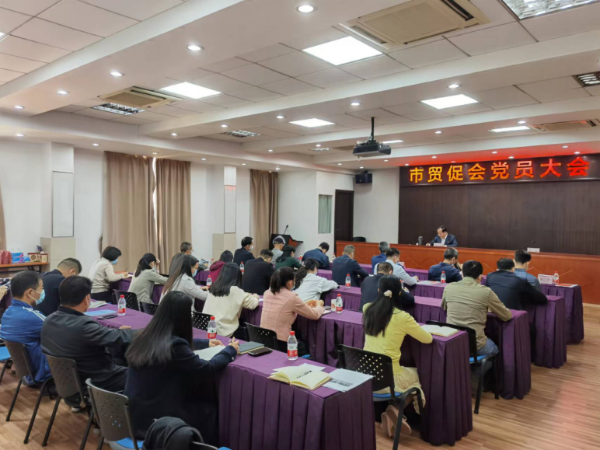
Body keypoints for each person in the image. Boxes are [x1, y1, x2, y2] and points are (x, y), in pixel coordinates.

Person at [124, 291, 239, 446]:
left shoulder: (142, 335)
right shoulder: (174, 346)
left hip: (134, 418)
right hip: (157, 423)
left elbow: (172, 342)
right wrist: (230, 351)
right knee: (208, 409)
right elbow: (206, 368)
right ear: (182, 317)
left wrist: (205, 343)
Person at [363, 276, 432, 436]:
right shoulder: (402, 317)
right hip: (389, 379)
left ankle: (392, 412)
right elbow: (427, 339)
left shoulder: (367, 308)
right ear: (400, 293)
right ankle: (394, 409)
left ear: (378, 291)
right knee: (417, 376)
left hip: (366, 375)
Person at [41, 276, 134, 391]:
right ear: (87, 298)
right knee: (144, 376)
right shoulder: (83, 325)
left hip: (68, 382)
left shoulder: (48, 320)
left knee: (118, 358)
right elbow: (120, 337)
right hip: (97, 381)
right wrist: (146, 332)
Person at [442, 261, 512, 356]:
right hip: (476, 346)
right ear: (480, 277)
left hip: (452, 341)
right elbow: (506, 316)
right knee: (495, 348)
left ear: (462, 274)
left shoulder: (449, 287)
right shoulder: (486, 291)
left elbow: (444, 307)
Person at [0, 271, 51, 384]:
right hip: (43, 373)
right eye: (42, 288)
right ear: (30, 292)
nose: (43, 291)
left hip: (27, 373)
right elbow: (59, 334)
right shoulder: (32, 316)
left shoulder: (8, 313)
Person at [261, 267, 325, 354]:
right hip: (281, 343)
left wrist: (304, 304)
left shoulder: (267, 293)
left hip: (263, 339)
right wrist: (319, 305)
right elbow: (315, 315)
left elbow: (285, 307)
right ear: (290, 283)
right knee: (308, 346)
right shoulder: (291, 297)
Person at [203, 263, 259, 338]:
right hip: (224, 331)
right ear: (237, 277)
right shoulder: (235, 290)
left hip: (207, 328)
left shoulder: (213, 287)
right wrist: (255, 297)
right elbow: (253, 304)